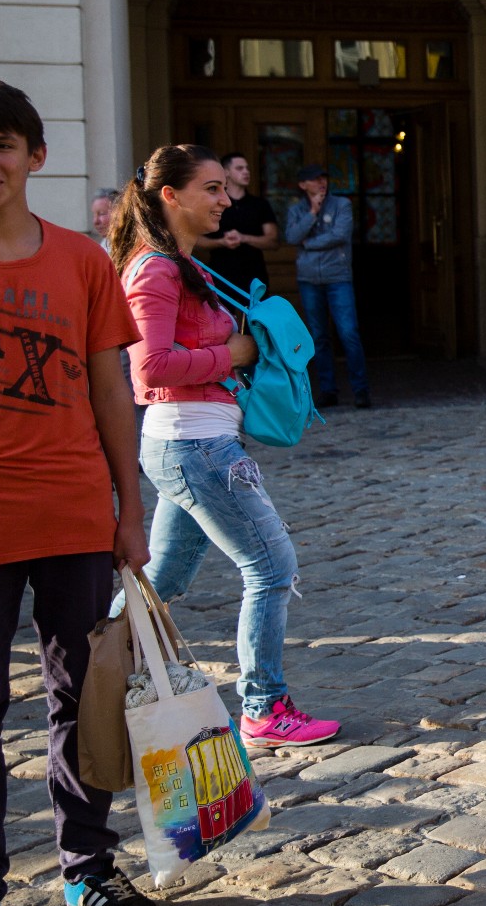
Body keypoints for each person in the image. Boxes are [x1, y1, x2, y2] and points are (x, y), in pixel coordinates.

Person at [0, 81, 159, 906]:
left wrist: (133, 504)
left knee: (81, 698)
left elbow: (111, 388)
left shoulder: (82, 261)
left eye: (2, 143)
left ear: (35, 155)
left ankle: (89, 862)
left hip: (74, 517)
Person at [113, 143, 343, 750]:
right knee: (271, 569)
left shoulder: (183, 263)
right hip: (196, 448)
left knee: (163, 578)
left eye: (225, 188)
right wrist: (233, 355)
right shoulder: (157, 269)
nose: (226, 200)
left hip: (198, 443)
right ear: (171, 196)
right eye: (212, 189)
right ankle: (264, 707)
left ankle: (90, 664)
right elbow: (149, 370)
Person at [283, 163, 369, 410]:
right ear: (303, 185)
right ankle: (328, 391)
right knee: (319, 337)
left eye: (323, 178)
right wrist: (312, 213)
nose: (321, 182)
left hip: (338, 277)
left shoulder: (342, 205)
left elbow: (340, 235)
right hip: (309, 279)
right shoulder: (297, 210)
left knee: (349, 332)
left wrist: (309, 244)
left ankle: (361, 390)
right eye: (314, 179)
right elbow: (291, 237)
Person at [196, 152, 279, 295]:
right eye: (240, 168)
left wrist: (243, 238)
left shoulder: (259, 205)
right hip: (221, 273)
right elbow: (197, 240)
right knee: (223, 316)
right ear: (226, 172)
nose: (246, 172)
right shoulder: (214, 204)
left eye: (247, 168)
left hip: (254, 274)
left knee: (255, 316)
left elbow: (273, 241)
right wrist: (222, 242)